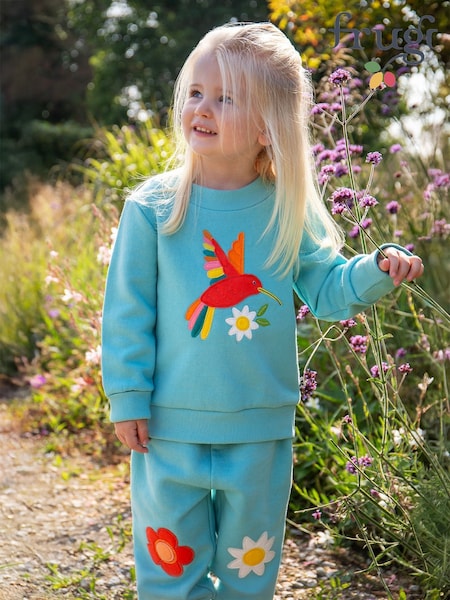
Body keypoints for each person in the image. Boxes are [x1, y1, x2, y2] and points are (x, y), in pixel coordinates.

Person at [101, 22, 424, 600]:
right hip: (169, 429)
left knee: (249, 575)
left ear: (266, 128)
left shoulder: (286, 209)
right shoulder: (152, 208)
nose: (202, 108)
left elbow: (328, 289)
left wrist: (378, 268)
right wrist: (127, 396)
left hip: (259, 430)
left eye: (225, 98)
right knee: (170, 574)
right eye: (195, 92)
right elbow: (128, 312)